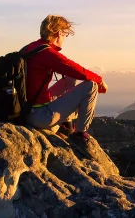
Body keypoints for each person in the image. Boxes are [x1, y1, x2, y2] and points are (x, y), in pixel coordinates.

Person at [24, 15, 108, 150]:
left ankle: (66, 125)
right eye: (66, 34)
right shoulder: (47, 53)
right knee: (90, 86)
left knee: (70, 80)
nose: (65, 38)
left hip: (25, 110)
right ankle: (80, 135)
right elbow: (77, 70)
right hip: (39, 117)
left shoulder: (31, 48)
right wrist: (99, 81)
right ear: (59, 33)